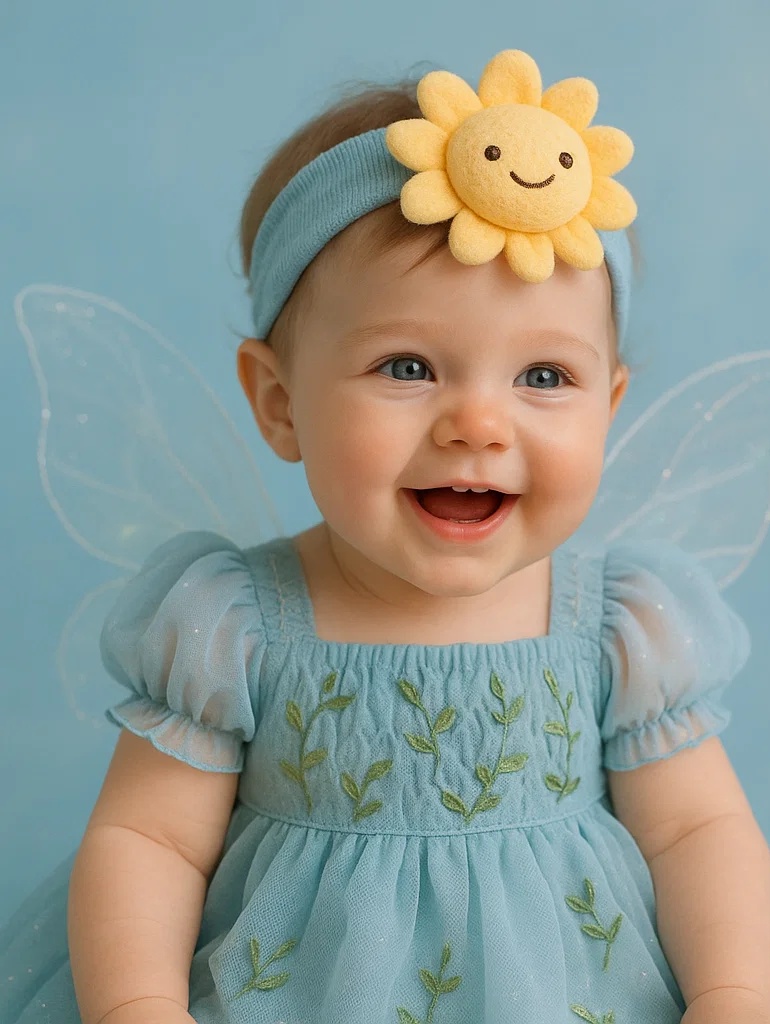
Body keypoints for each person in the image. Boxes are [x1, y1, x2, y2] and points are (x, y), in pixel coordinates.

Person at [2, 47, 770, 1024]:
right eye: (406, 365)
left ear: (609, 408)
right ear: (278, 404)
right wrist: (138, 1005)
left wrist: (732, 994)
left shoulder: (618, 628)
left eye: (542, 377)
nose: (477, 423)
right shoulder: (229, 623)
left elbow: (696, 830)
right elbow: (149, 841)